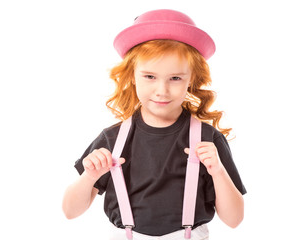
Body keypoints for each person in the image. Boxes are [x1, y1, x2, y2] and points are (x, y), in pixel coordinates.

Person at [62, 9, 246, 240]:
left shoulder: (208, 139)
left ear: (191, 80)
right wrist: (89, 176)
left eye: (175, 78)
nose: (162, 90)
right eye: (149, 76)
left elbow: (234, 219)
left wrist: (218, 172)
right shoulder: (112, 139)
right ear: (132, 76)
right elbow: (70, 211)